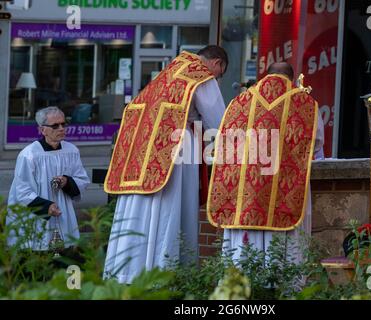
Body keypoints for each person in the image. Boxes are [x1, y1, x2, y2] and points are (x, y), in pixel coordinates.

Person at [103, 45, 228, 284]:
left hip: (144, 147)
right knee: (172, 205)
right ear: (217, 64)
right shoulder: (201, 75)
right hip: (178, 146)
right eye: (220, 76)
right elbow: (217, 122)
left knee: (143, 204)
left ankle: (129, 270)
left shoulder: (168, 71)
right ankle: (166, 271)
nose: (217, 79)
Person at [207, 62, 324, 269]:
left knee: (242, 259)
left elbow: (223, 145)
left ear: (265, 75)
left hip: (245, 199)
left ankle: (240, 284)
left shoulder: (239, 102)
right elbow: (315, 145)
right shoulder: (304, 103)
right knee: (285, 256)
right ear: (291, 77)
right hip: (283, 191)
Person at [7, 106, 90, 250]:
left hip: (63, 212)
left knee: (64, 257)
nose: (61, 128)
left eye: (64, 124)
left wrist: (67, 181)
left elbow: (82, 179)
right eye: (55, 126)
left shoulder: (71, 151)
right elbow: (22, 191)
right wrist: (46, 206)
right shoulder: (29, 155)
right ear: (42, 129)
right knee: (40, 254)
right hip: (38, 216)